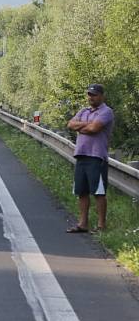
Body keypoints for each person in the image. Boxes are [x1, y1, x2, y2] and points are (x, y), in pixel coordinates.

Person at [65, 83, 114, 233]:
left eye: (94, 95)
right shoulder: (84, 110)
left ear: (101, 95)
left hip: (96, 156)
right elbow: (70, 124)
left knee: (98, 192)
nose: (91, 97)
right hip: (81, 155)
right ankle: (83, 223)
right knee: (82, 191)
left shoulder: (106, 112)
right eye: (89, 95)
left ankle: (101, 225)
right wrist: (87, 124)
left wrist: (81, 126)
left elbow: (94, 129)